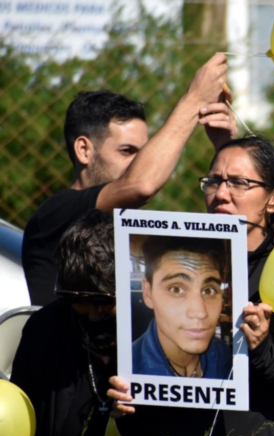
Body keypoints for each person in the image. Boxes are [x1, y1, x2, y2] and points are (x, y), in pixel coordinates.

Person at [110, 136, 274, 436]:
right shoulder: (171, 271)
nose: (221, 194)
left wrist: (266, 355)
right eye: (213, 181)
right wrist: (129, 405)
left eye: (239, 183)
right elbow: (149, 435)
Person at [22, 53, 236, 306]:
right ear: (84, 150)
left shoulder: (131, 226)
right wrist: (195, 100)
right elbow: (141, 185)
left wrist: (225, 147)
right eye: (126, 151)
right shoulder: (57, 213)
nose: (139, 163)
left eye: (143, 153)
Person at [11, 210, 141, 436]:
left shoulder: (154, 333)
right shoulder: (43, 330)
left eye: (104, 302)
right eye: (79, 301)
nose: (93, 315)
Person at [132, 236, 232, 379]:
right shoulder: (128, 370)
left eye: (208, 290)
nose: (200, 312)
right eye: (176, 289)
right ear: (148, 293)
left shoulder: (223, 355)